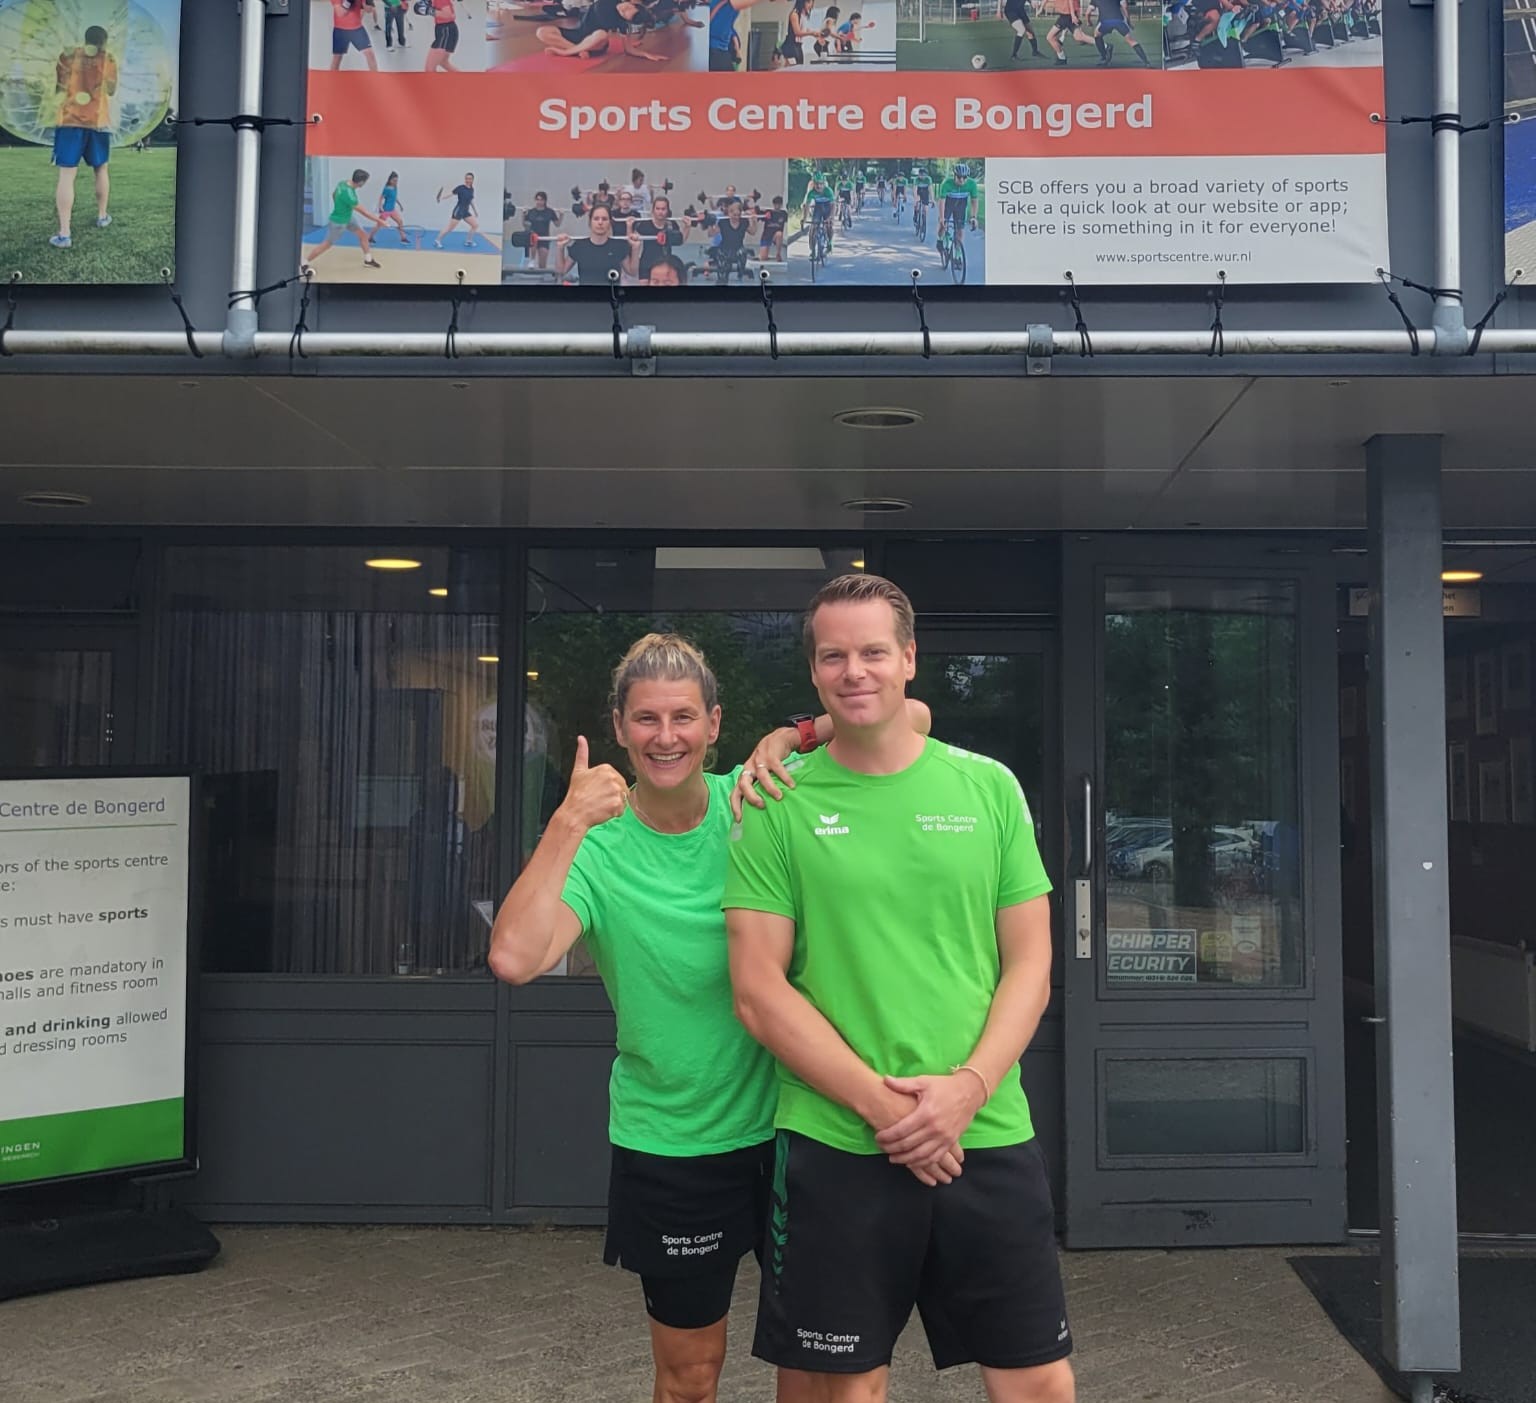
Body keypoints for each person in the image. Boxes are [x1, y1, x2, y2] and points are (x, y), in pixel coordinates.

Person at [488, 633, 931, 1403]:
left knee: (824, 1365)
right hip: (675, 1142)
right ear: (620, 727)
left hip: (797, 1128)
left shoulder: (755, 796)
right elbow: (515, 957)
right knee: (691, 1375)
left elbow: (908, 716)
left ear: (714, 723)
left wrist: (791, 734)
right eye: (647, 718)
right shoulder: (597, 846)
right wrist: (566, 822)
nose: (666, 736)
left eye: (684, 716)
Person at [723, 573, 1072, 1403]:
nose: (855, 671)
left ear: (910, 658)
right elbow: (758, 990)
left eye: (874, 651)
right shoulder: (775, 802)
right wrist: (891, 1111)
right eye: (833, 656)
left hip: (984, 1131)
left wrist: (967, 1089)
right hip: (837, 1143)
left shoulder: (989, 787)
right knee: (842, 1392)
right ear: (814, 672)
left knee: (1039, 1383)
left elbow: (1031, 963)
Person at [48, 24, 118, 251]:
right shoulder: (108, 58)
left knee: (67, 175)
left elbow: (59, 90)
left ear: (85, 39)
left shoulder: (67, 56)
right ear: (104, 41)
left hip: (69, 121)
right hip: (98, 121)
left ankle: (64, 234)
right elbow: (111, 90)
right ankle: (102, 216)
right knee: (101, 169)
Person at [303, 168, 383, 269]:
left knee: (363, 235)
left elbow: (334, 194)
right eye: (365, 181)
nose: (365, 183)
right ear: (361, 182)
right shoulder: (350, 196)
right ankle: (305, 262)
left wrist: (340, 207)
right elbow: (364, 212)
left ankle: (368, 260)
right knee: (327, 244)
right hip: (339, 223)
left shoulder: (343, 183)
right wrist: (380, 221)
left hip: (348, 218)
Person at [538, 0, 667, 58]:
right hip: (579, 35)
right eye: (627, 7)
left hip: (595, 45)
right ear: (632, 3)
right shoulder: (610, 1)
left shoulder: (622, 24)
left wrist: (645, 54)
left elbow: (628, 49)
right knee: (542, 32)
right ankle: (577, 50)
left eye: (624, 14)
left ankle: (566, 52)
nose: (622, 9)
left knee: (601, 34)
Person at [555, 204, 640, 283]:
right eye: (596, 218)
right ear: (590, 222)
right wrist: (560, 248)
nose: (600, 222)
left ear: (610, 223)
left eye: (604, 219)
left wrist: (635, 248)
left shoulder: (618, 246)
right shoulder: (579, 246)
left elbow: (632, 272)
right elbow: (561, 270)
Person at [634, 195, 689, 280]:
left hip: (665, 265)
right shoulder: (644, 225)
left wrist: (687, 227)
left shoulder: (671, 225)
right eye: (658, 209)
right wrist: (629, 226)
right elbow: (632, 240)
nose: (660, 212)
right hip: (646, 264)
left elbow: (680, 241)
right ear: (653, 210)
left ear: (667, 210)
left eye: (663, 209)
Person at [937, 162, 979, 256]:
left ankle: (958, 254)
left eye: (964, 177)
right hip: (948, 204)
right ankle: (940, 239)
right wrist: (942, 218)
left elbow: (974, 201)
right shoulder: (947, 183)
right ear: (954, 176)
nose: (962, 180)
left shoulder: (972, 184)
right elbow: (942, 201)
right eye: (959, 177)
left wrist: (974, 217)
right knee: (943, 225)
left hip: (961, 205)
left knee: (960, 230)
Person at [435, 172, 486, 247]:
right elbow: (450, 194)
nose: (468, 180)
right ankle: (437, 240)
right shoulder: (460, 188)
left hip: (465, 211)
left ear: (472, 180)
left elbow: (471, 201)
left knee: (475, 225)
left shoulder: (472, 189)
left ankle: (468, 241)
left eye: (470, 179)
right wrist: (441, 198)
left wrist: (475, 211)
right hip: (458, 211)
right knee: (450, 228)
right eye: (466, 178)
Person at [330, 0, 381, 70]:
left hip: (357, 28)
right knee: (337, 58)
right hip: (340, 29)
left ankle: (375, 76)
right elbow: (340, 13)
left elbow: (368, 10)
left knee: (370, 54)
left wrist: (369, 2)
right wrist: (349, 1)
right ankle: (333, 76)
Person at [520, 189, 563, 268]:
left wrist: (561, 215)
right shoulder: (531, 212)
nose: (539, 202)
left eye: (541, 200)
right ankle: (532, 260)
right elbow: (525, 225)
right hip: (533, 237)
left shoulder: (550, 212)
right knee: (533, 237)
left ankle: (542, 272)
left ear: (545, 201)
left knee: (542, 265)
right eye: (537, 199)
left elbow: (557, 224)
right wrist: (523, 215)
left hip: (544, 238)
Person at [802, 171, 838, 252]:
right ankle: (813, 248)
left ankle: (830, 242)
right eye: (817, 184)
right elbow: (807, 206)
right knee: (814, 225)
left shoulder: (828, 191)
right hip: (818, 208)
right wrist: (804, 218)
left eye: (821, 184)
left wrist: (831, 217)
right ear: (813, 184)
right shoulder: (811, 192)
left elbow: (833, 205)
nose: (819, 186)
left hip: (828, 207)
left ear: (824, 184)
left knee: (829, 225)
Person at [425, 0, 462, 69]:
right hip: (445, 30)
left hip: (446, 31)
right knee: (443, 62)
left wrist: (428, 10)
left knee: (429, 68)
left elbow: (448, 14)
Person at [376, 171, 408, 241]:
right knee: (379, 225)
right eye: (394, 180)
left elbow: (394, 197)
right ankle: (370, 237)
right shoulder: (387, 189)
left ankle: (403, 238)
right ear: (390, 180)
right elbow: (381, 198)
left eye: (396, 180)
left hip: (392, 210)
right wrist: (380, 207)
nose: (395, 182)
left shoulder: (395, 188)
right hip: (386, 210)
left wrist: (400, 205)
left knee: (400, 222)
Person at [757, 196, 788, 263]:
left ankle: (778, 253)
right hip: (766, 236)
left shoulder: (784, 214)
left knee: (779, 234)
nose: (777, 206)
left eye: (779, 204)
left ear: (781, 204)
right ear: (773, 204)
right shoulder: (768, 212)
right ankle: (762, 255)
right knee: (763, 258)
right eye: (776, 204)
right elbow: (758, 215)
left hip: (775, 236)